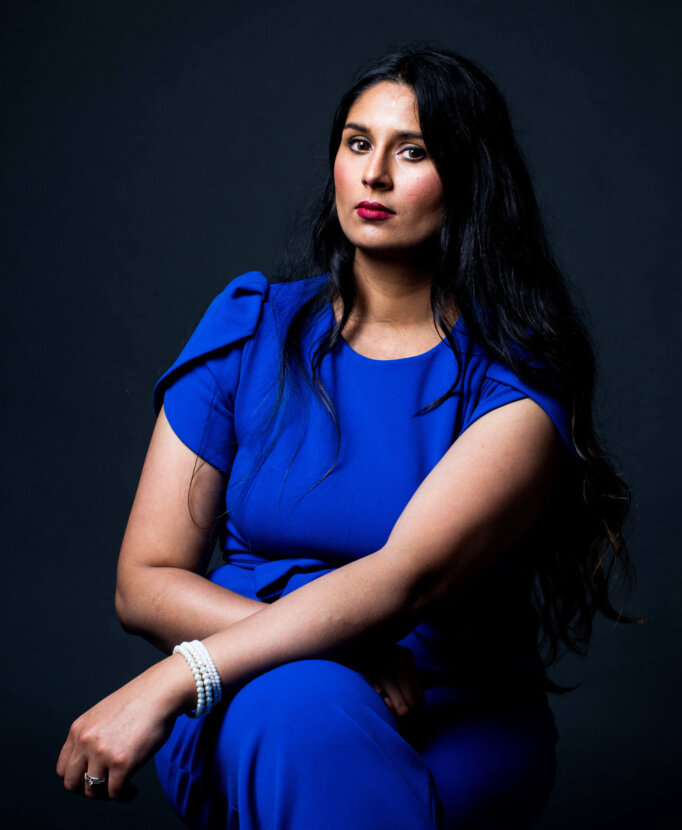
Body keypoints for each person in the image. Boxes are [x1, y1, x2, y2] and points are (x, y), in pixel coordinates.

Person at [56, 47, 639, 829]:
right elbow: (144, 580)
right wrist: (337, 653)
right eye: (358, 143)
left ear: (469, 178)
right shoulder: (248, 329)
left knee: (308, 716)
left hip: (446, 710)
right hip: (247, 694)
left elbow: (402, 580)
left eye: (414, 151)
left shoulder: (515, 381)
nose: (375, 175)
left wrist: (176, 677)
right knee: (297, 699)